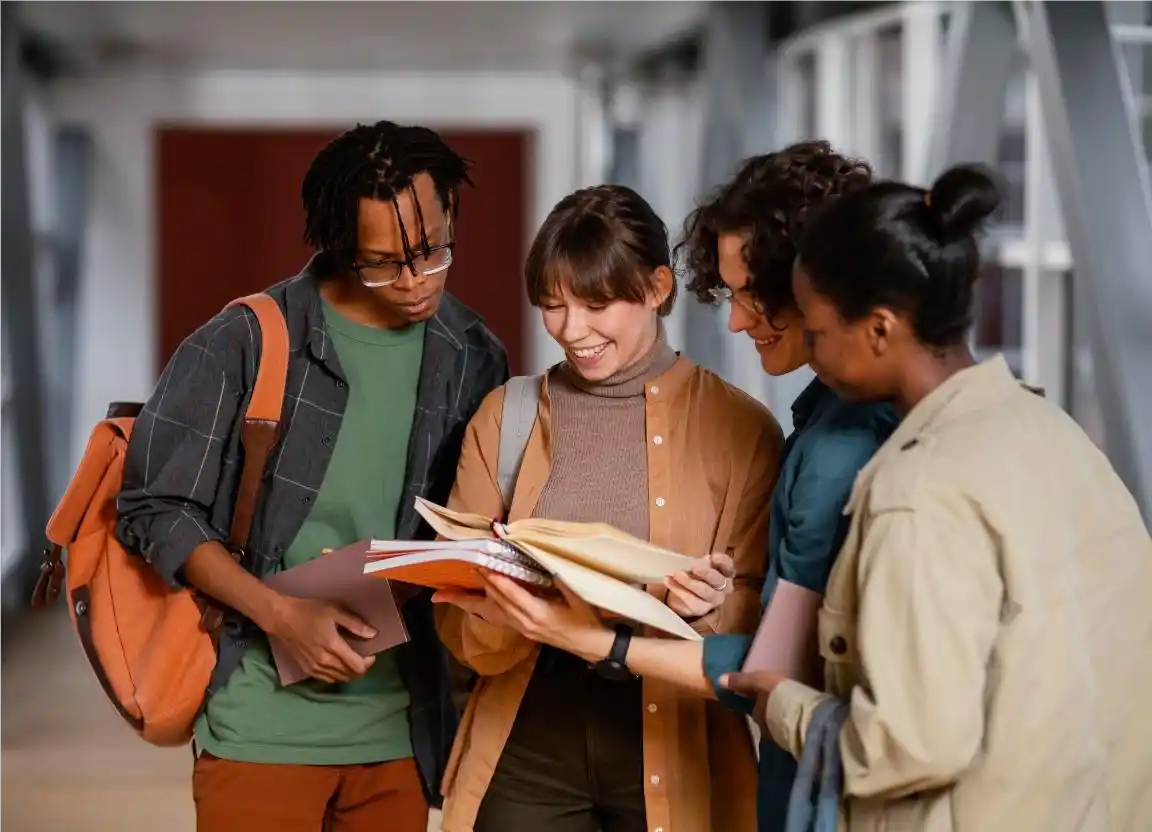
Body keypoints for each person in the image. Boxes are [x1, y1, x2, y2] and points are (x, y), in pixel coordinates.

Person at [474, 141, 899, 832]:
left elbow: (778, 658)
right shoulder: (815, 427)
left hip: (816, 775)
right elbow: (784, 650)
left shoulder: (807, 440)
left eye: (748, 293)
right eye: (553, 305)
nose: (732, 319)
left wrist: (618, 634)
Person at [713, 164, 1152, 830]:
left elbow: (906, 745)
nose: (816, 353)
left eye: (822, 333)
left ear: (880, 329)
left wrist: (782, 703)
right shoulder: (1058, 436)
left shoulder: (914, 491)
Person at [116, 120, 510, 832]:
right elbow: (156, 507)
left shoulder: (474, 355)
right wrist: (279, 615)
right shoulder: (242, 341)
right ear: (337, 246)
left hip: (403, 729)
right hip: (259, 722)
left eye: (433, 252)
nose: (416, 282)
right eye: (383, 263)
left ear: (451, 211)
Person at [431, 183, 784, 832]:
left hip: (677, 742)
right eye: (553, 306)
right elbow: (459, 630)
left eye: (596, 304)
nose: (572, 330)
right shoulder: (503, 418)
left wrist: (697, 610)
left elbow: (764, 621)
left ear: (655, 288)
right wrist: (500, 601)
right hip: (526, 743)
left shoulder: (742, 430)